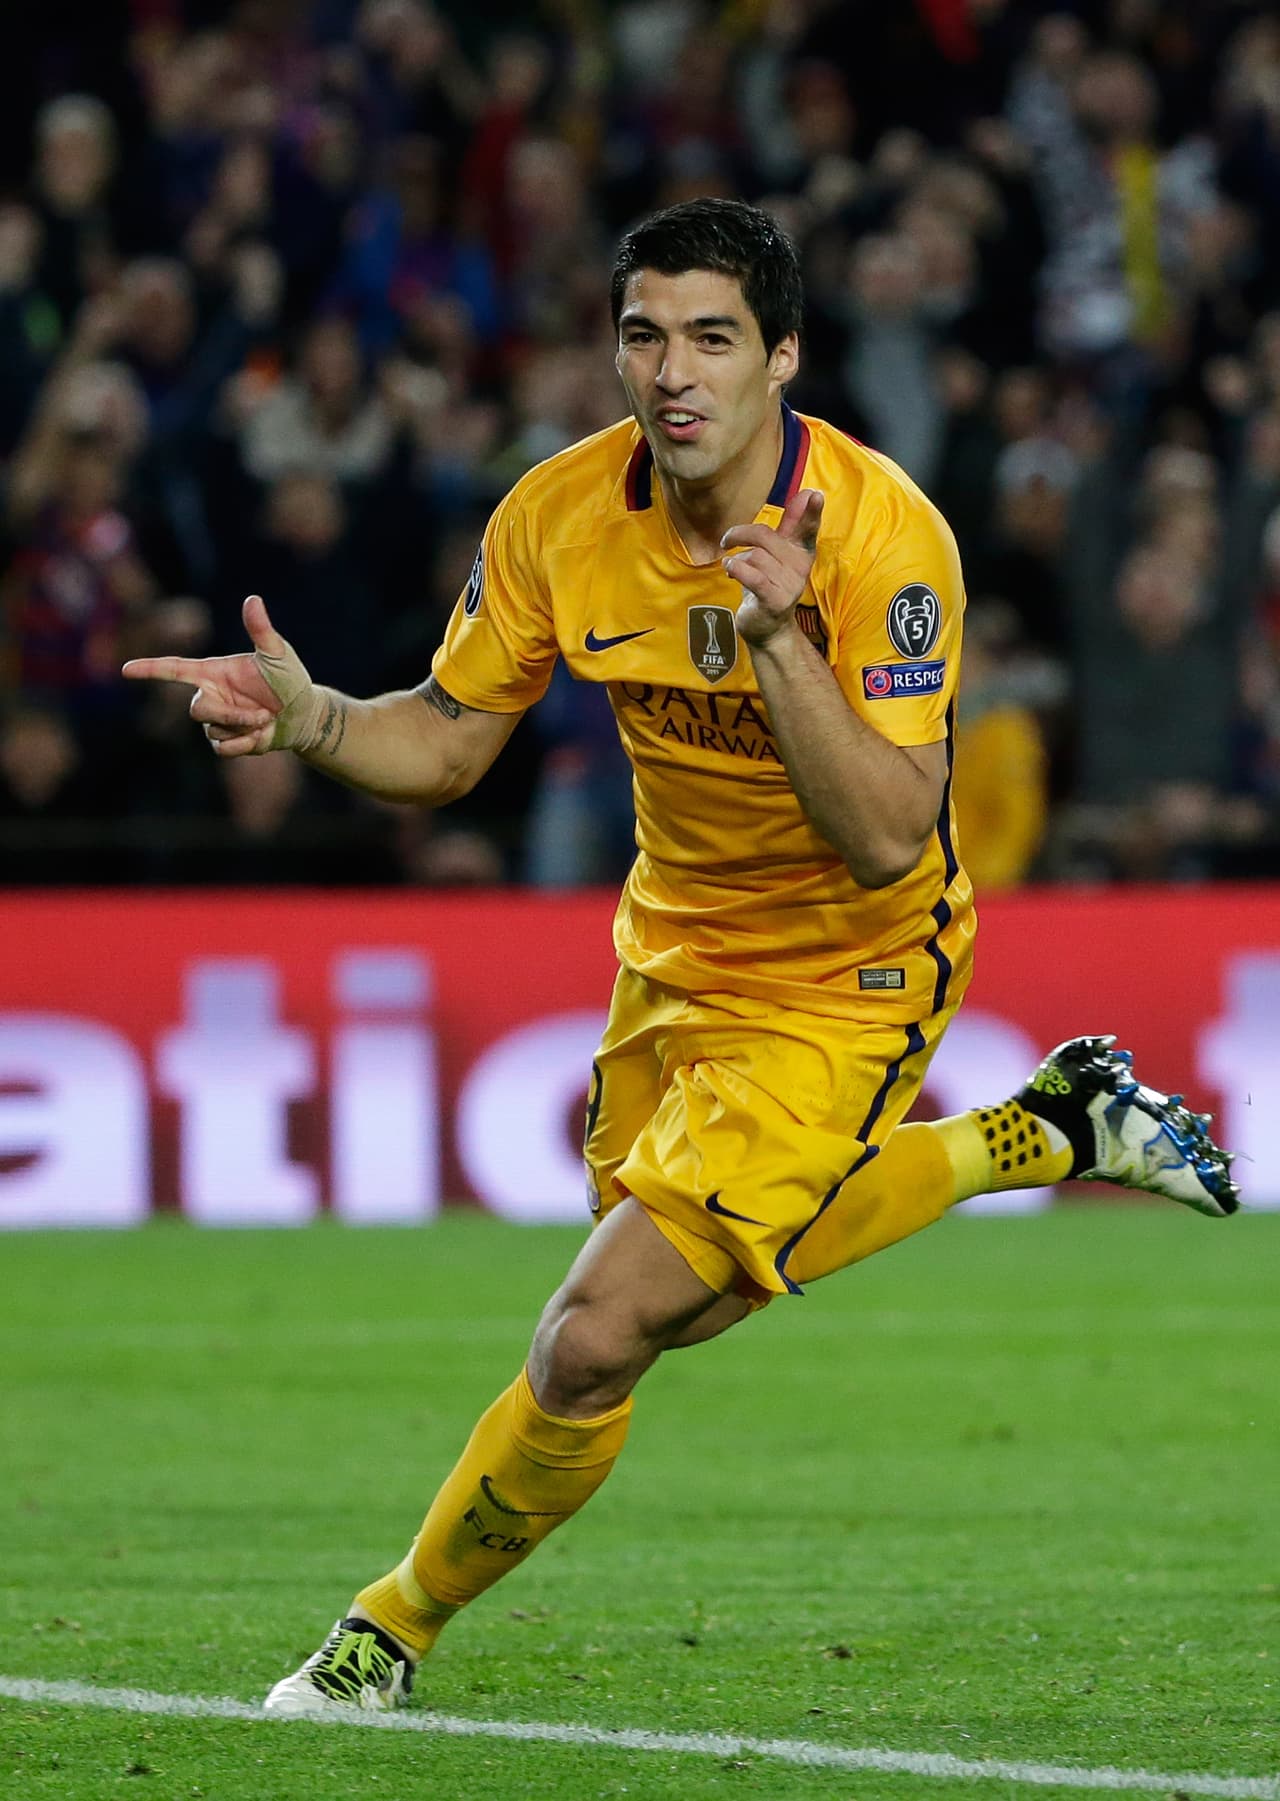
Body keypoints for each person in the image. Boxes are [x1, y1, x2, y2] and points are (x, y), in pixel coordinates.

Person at [122, 199, 1238, 1717]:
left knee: (594, 1336)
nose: (673, 372)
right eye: (644, 335)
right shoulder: (561, 516)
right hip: (671, 953)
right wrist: (316, 719)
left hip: (850, 972)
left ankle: (385, 1633)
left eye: (713, 337)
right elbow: (448, 743)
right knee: (691, 1297)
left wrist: (781, 643)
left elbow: (891, 837)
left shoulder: (886, 536)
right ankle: (1046, 1128)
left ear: (783, 353)